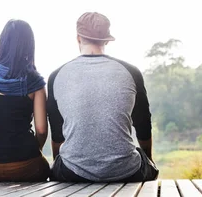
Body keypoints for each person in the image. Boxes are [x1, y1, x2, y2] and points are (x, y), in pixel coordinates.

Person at [47, 12, 159, 182]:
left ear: (78, 38)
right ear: (107, 40)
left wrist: (60, 165)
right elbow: (143, 125)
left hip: (73, 172)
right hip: (128, 170)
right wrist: (147, 159)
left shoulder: (56, 76)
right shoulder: (131, 72)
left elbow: (57, 134)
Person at [0, 19, 50, 182]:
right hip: (27, 165)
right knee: (45, 168)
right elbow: (42, 130)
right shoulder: (35, 82)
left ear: (3, 43)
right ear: (29, 45)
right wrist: (36, 149)